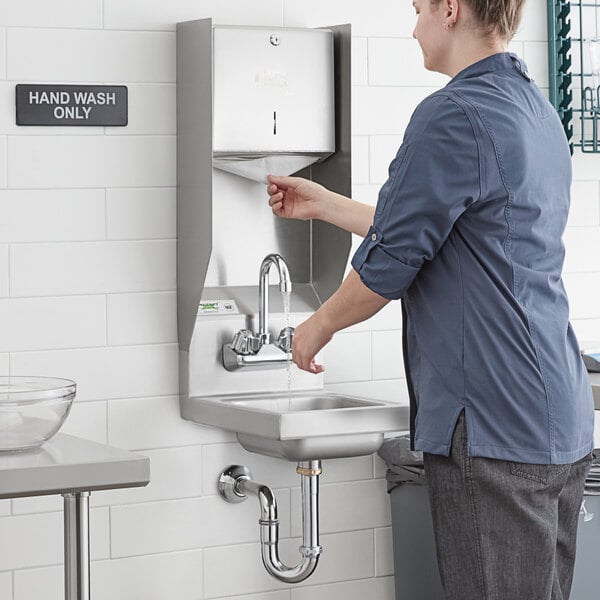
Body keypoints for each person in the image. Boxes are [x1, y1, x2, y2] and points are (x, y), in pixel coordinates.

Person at [266, 0, 595, 598]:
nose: (412, 24)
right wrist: (328, 205)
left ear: (451, 10)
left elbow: (390, 265)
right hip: (555, 416)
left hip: (494, 420)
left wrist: (316, 327)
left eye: (417, 8)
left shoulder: (453, 114)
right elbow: (454, 231)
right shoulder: (535, 108)